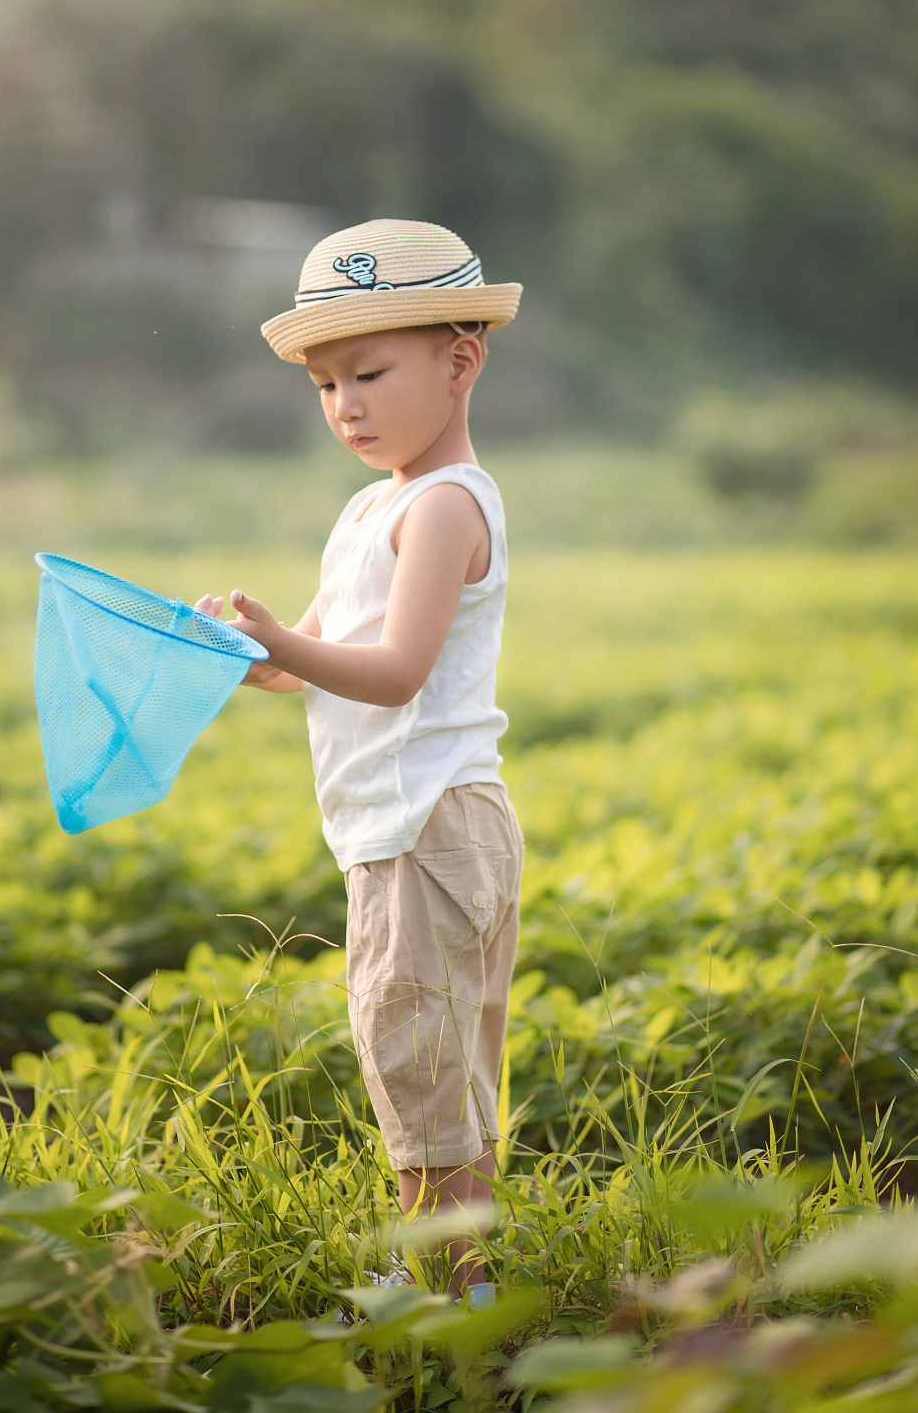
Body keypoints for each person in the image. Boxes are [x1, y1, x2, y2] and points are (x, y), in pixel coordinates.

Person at [195, 218, 524, 1302]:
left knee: (418, 1065)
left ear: (459, 362)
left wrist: (284, 643)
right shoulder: (371, 505)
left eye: (369, 372)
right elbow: (311, 665)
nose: (345, 405)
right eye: (325, 382)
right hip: (417, 826)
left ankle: (446, 1293)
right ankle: (458, 1276)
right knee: (437, 1068)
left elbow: (391, 672)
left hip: (424, 828)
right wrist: (250, 655)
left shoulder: (441, 507)